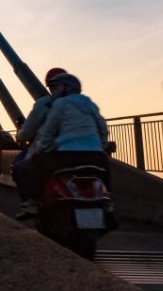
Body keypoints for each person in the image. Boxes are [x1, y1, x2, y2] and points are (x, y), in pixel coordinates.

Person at [24, 73, 111, 214]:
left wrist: (42, 148)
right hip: (96, 155)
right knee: (103, 171)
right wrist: (102, 144)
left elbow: (49, 131)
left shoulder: (60, 104)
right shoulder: (90, 103)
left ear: (66, 88)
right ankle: (109, 201)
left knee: (37, 162)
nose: (54, 91)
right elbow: (102, 126)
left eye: (56, 87)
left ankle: (33, 203)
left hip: (67, 155)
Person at [12, 68, 67, 219]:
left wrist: (21, 135)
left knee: (18, 166)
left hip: (51, 153)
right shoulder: (83, 103)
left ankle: (32, 203)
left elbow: (27, 131)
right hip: (83, 152)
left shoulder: (45, 103)